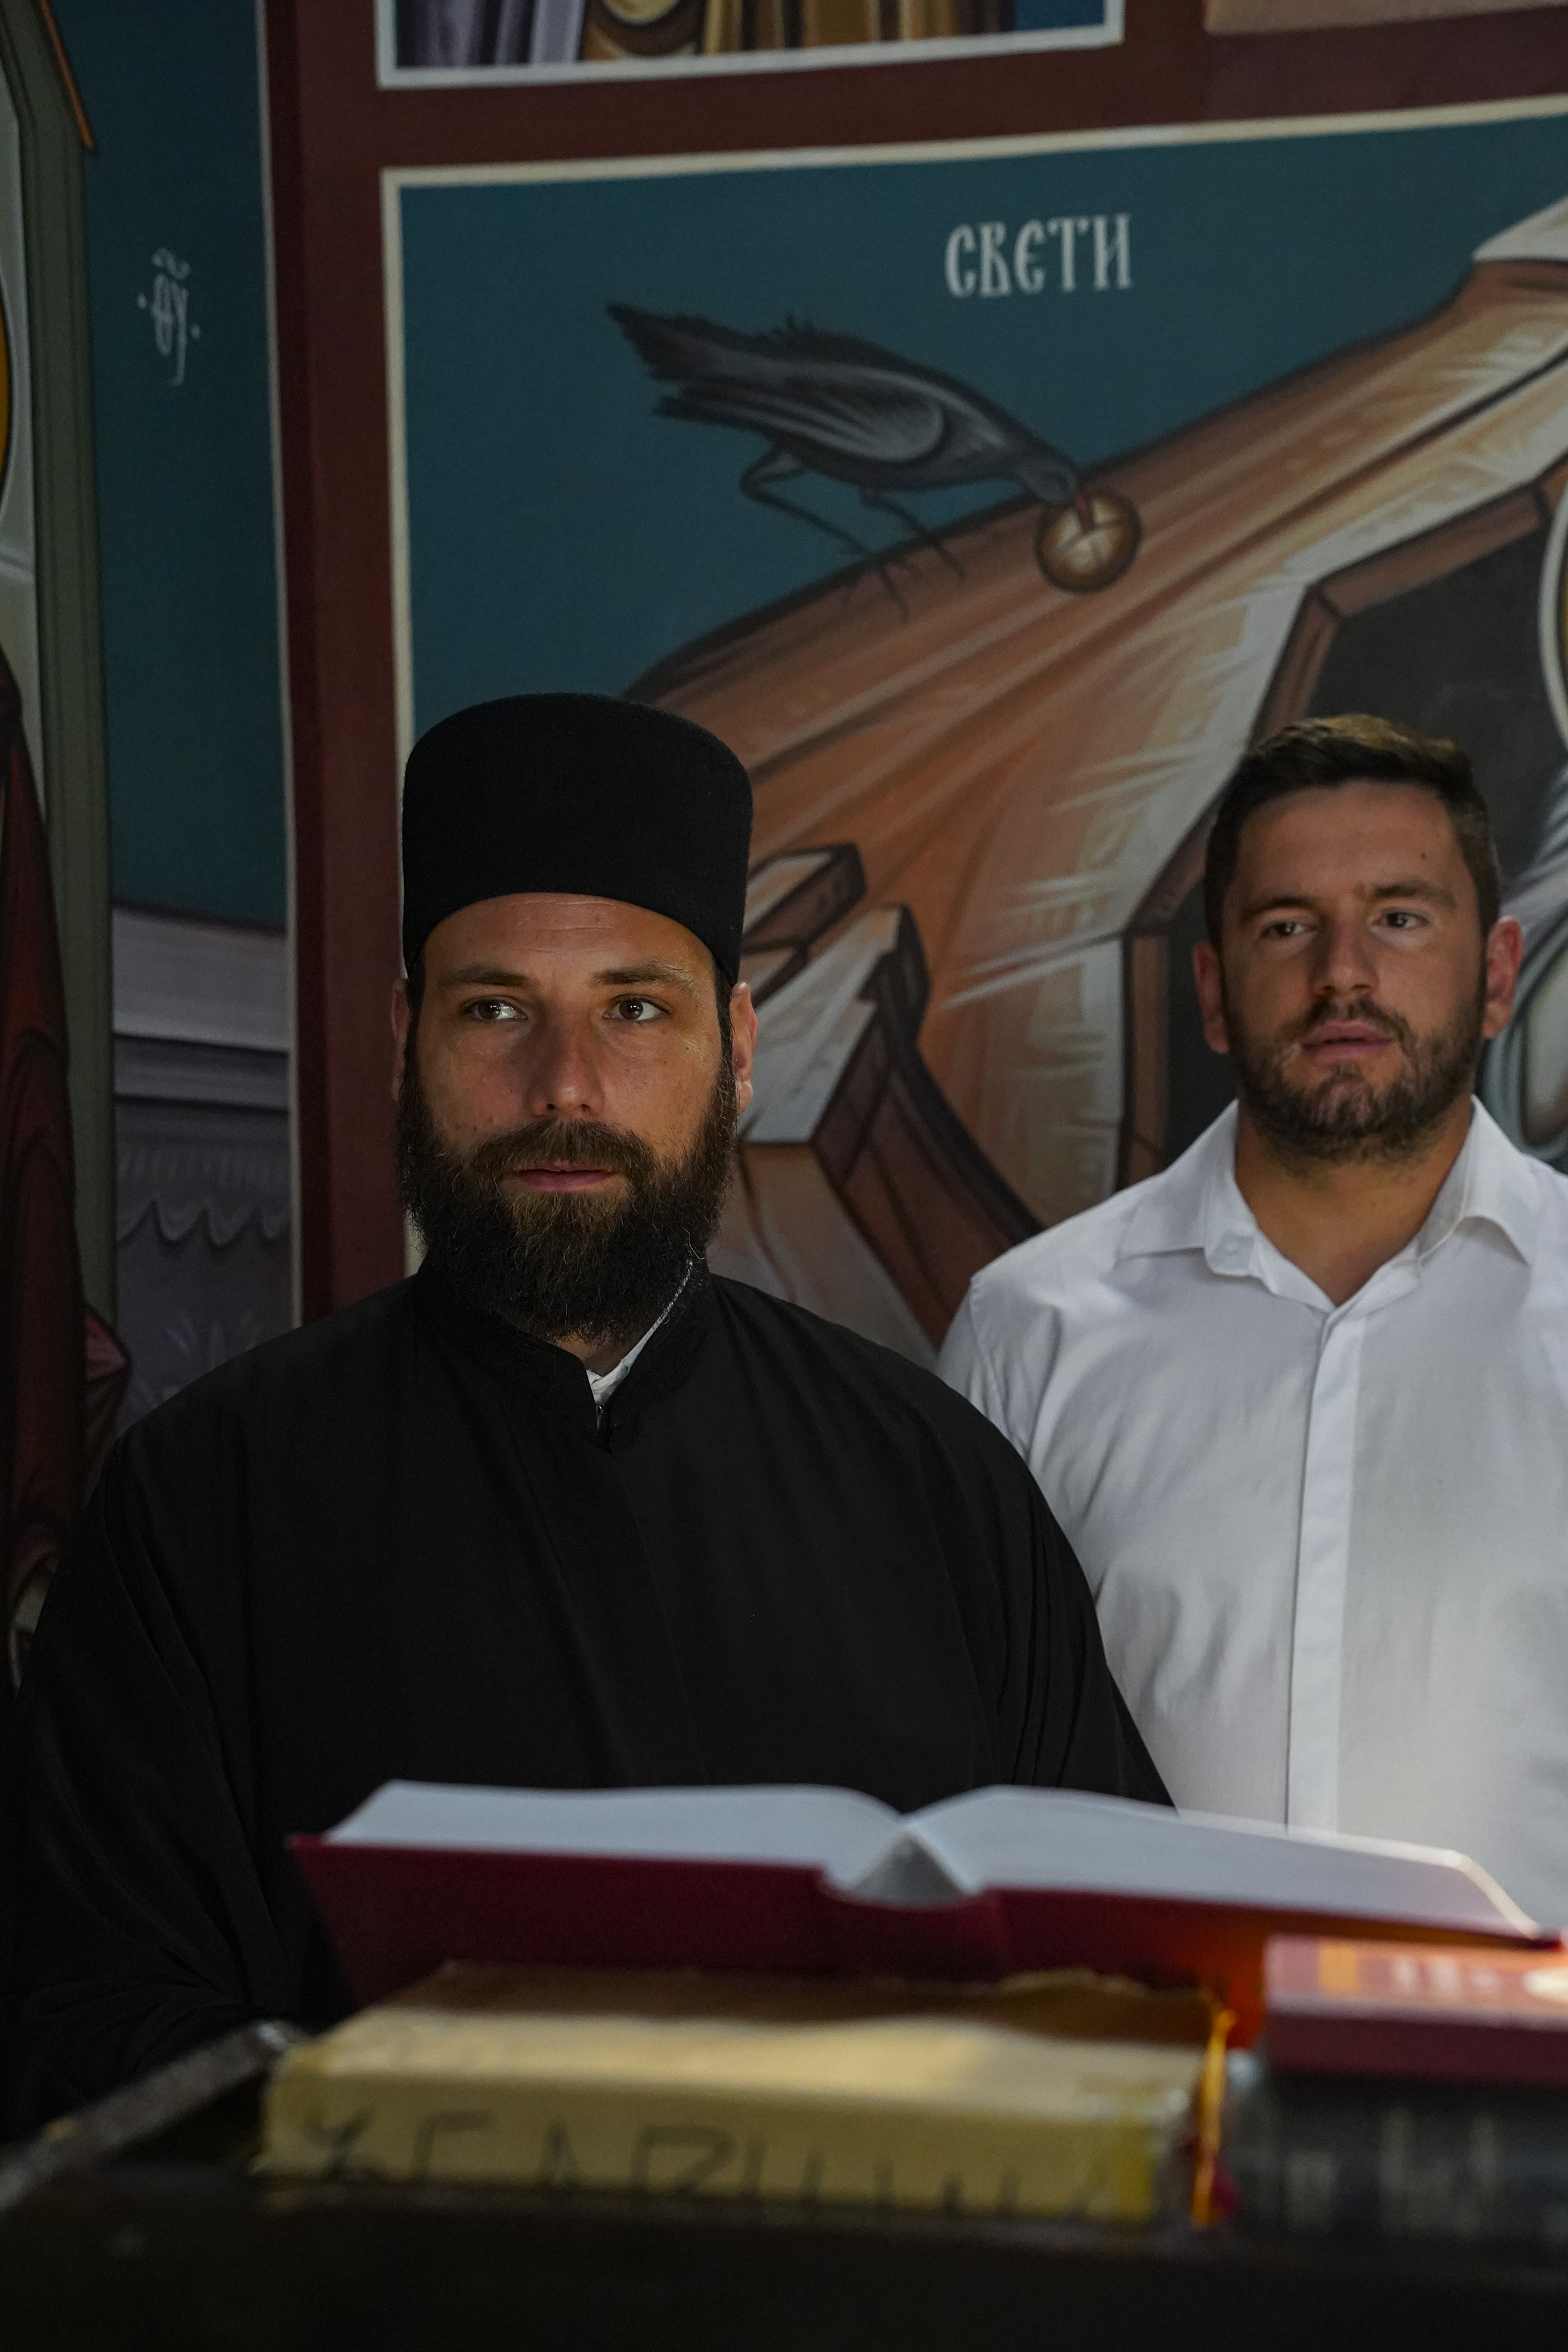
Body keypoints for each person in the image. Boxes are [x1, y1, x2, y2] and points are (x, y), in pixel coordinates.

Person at [0, 692, 1163, 2130]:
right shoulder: (203, 1502)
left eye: (635, 1008)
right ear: (404, 1037)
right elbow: (85, 2018)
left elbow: (1119, 1979)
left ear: (737, 1046)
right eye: (496, 1008)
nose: (563, 1086)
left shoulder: (937, 1487)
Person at [939, 712, 1568, 1922]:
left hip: (1521, 2047)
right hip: (1129, 2035)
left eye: (1398, 917)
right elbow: (956, 1766)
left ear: (1496, 973)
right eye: (1285, 925)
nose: (1341, 971)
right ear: (1213, 991)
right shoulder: (1027, 1334)